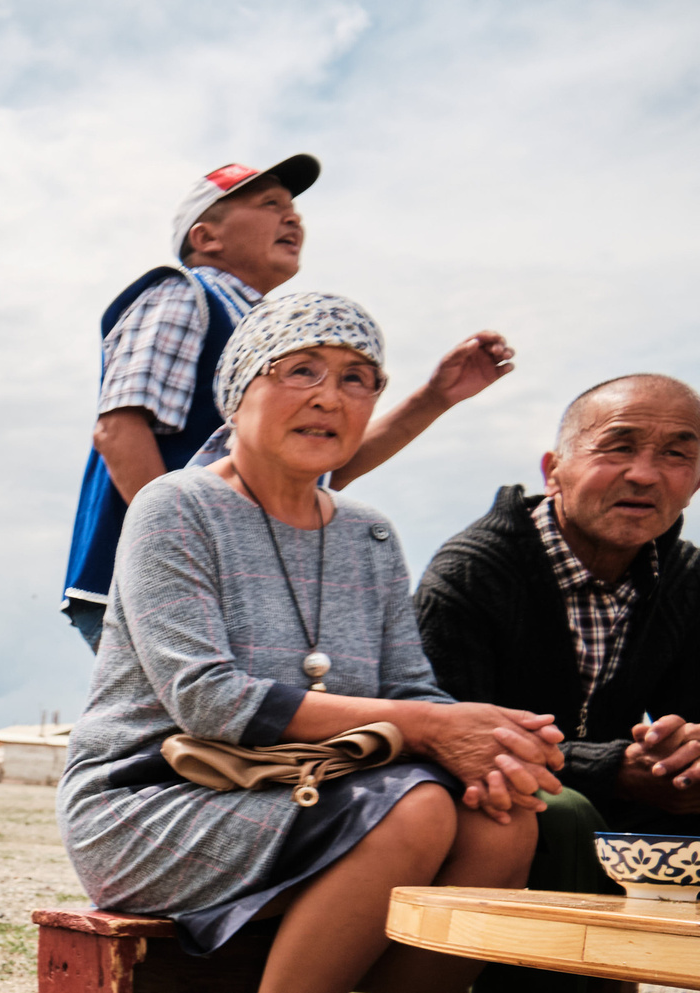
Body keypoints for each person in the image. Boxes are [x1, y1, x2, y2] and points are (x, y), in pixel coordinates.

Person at [60, 292, 565, 993]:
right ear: (239, 391)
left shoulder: (370, 535)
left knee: (502, 817)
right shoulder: (176, 508)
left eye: (357, 379)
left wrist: (485, 741)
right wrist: (425, 731)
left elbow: (414, 693)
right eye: (302, 371)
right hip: (152, 799)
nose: (331, 397)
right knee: (412, 807)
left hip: (312, 794)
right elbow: (208, 701)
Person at [414, 374, 700, 993]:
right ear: (555, 467)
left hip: (617, 804)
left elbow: (684, 718)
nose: (646, 474)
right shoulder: (474, 571)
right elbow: (455, 733)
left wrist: (686, 750)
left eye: (677, 454)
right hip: (478, 800)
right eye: (618, 447)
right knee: (558, 812)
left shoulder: (683, 579)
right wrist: (614, 765)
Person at [61, 155, 513, 651]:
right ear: (206, 237)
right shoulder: (182, 293)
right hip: (168, 584)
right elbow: (119, 430)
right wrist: (187, 558)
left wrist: (435, 397)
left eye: (294, 208)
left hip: (240, 585)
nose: (292, 217)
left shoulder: (274, 332)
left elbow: (328, 467)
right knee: (210, 721)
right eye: (269, 204)